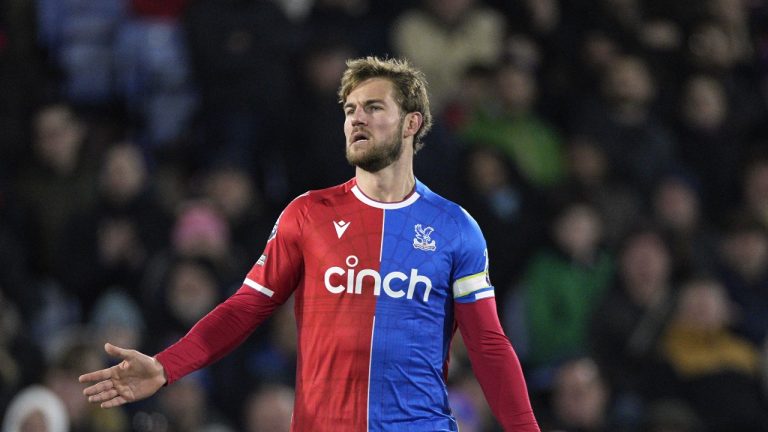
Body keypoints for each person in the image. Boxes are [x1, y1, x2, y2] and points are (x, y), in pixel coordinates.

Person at [79, 56, 540, 431]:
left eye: (374, 107)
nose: (357, 119)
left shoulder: (456, 227)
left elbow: (488, 344)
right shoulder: (308, 214)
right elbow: (244, 308)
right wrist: (166, 367)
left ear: (410, 123)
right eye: (350, 110)